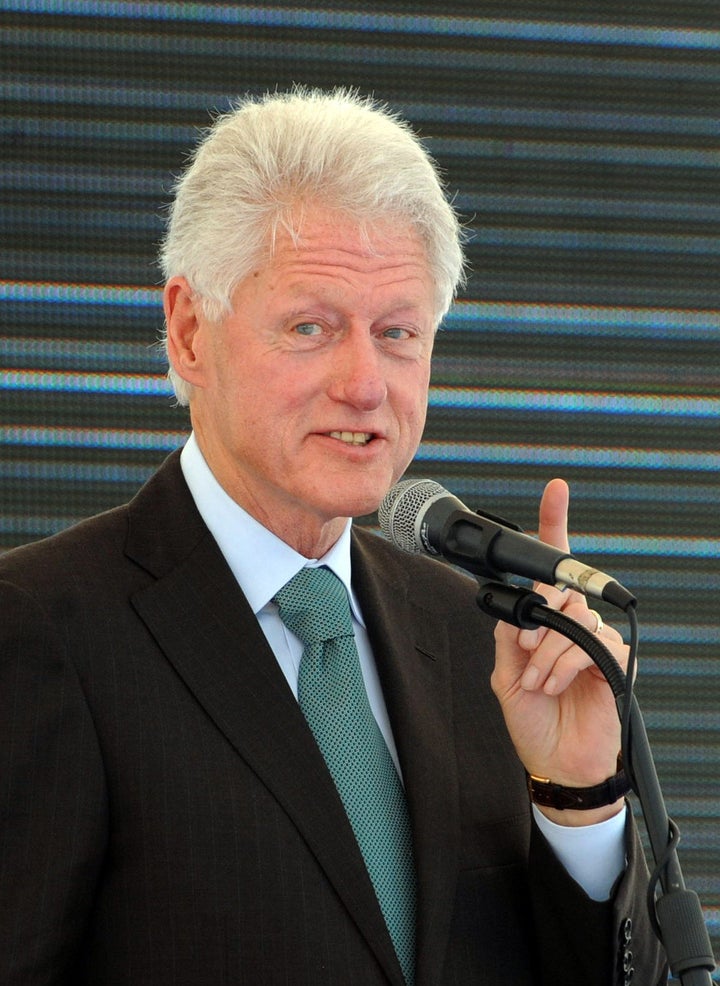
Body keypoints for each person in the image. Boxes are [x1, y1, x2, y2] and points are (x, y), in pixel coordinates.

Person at [0, 87, 666, 985]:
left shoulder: (486, 631)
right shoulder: (38, 628)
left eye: (397, 333)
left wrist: (577, 798)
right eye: (312, 328)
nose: (365, 384)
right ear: (191, 333)